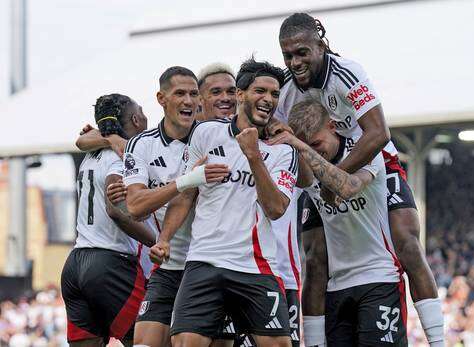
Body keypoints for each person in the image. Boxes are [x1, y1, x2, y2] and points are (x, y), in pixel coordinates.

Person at [275, 12, 444, 347]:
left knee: (407, 245)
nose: (295, 62)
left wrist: (339, 177)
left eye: (302, 52)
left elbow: (378, 133)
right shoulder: (285, 91)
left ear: (320, 45)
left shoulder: (347, 72)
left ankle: (438, 340)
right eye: (288, 55)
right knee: (315, 258)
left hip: (372, 162)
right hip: (319, 170)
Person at [150, 58, 297, 347]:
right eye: (260, 91)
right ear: (240, 95)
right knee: (185, 342)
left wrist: (254, 156)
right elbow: (186, 194)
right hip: (205, 261)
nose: (268, 99)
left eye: (274, 94)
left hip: (256, 267)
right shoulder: (206, 133)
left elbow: (276, 209)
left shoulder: (283, 152)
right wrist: (164, 238)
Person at [269, 99, 408, 346]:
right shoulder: (307, 161)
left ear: (332, 126)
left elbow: (348, 186)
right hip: (336, 287)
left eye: (317, 144)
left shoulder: (366, 151)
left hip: (378, 278)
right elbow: (302, 180)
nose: (314, 151)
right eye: (307, 146)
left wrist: (301, 146)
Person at [119, 66, 229, 347]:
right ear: (161, 98)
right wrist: (186, 180)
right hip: (169, 265)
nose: (189, 101)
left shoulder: (213, 137)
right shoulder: (141, 145)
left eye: (194, 94)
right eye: (180, 93)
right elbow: (135, 206)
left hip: (212, 266)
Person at [61, 93, 155, 347]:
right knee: (149, 340)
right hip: (110, 263)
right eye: (143, 112)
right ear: (136, 119)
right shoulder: (123, 157)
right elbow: (116, 210)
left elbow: (82, 140)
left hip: (75, 263)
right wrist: (156, 241)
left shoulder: (92, 155)